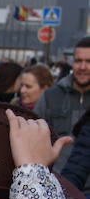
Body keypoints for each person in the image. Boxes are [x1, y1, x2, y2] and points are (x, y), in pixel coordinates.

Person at [35, 36, 90, 169]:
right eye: (78, 61)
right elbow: (35, 140)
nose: (83, 67)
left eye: (89, 61)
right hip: (57, 181)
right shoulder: (50, 96)